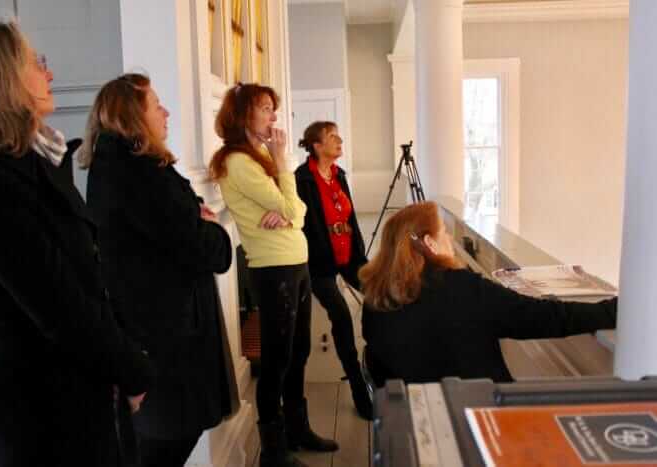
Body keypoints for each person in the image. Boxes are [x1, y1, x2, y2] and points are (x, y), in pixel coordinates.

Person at [0, 21, 152, 467]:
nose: (48, 73)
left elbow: (84, 278)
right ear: (3, 77)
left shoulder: (34, 162)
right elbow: (60, 305)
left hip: (77, 387)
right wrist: (131, 368)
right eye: (35, 63)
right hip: (40, 408)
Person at [81, 73, 239, 467]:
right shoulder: (141, 174)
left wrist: (200, 225)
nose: (165, 112)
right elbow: (205, 249)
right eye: (156, 105)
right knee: (165, 441)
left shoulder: (119, 168)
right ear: (132, 116)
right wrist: (214, 230)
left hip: (156, 331)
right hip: (167, 338)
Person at [210, 83, 337, 467]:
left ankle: (298, 429)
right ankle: (273, 451)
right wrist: (282, 164)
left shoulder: (259, 156)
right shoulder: (238, 162)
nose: (273, 116)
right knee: (277, 360)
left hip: (295, 262)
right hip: (273, 268)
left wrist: (288, 213)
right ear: (243, 114)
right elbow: (293, 208)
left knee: (298, 353)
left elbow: (298, 212)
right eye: (265, 108)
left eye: (272, 108)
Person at [360, 201, 618, 386]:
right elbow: (545, 316)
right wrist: (614, 310)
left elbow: (378, 371)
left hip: (415, 421)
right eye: (445, 234)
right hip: (481, 418)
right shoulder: (463, 289)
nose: (450, 241)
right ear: (430, 243)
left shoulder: (375, 298)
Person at [294, 121, 372, 420]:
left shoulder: (339, 175)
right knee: (341, 314)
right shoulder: (302, 179)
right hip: (319, 265)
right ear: (316, 145)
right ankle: (357, 387)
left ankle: (376, 365)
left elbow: (350, 220)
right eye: (332, 136)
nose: (340, 140)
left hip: (349, 257)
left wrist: (360, 257)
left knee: (380, 296)